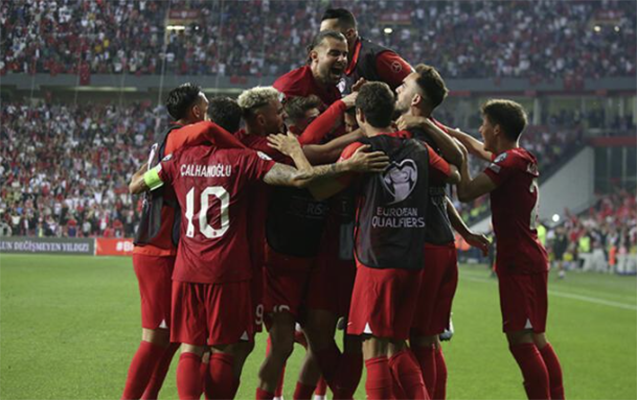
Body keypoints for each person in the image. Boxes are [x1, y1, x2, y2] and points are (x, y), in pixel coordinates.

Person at [128, 130, 389, 400]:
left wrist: (152, 161)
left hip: (190, 268)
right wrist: (344, 162)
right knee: (233, 348)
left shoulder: (177, 159)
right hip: (237, 268)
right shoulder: (247, 157)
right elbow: (303, 177)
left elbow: (137, 185)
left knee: (194, 348)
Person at [274, 82, 459, 400]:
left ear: (360, 115)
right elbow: (453, 174)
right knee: (397, 346)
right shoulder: (419, 149)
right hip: (412, 262)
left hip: (376, 262)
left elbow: (319, 190)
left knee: (374, 348)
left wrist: (295, 153)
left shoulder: (361, 152)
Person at [121, 83, 244, 400]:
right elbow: (214, 132)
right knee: (155, 337)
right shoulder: (183, 135)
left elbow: (141, 180)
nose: (209, 110)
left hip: (166, 248)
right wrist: (247, 153)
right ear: (197, 111)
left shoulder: (163, 141)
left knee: (175, 338)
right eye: (206, 103)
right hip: (158, 248)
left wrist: (140, 181)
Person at [453, 99, 565, 400]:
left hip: (518, 261)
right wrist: (446, 131)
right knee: (537, 338)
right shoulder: (520, 157)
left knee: (520, 341)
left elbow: (466, 192)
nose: (480, 130)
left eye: (484, 124)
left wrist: (459, 158)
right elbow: (479, 148)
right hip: (531, 256)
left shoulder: (507, 163)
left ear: (497, 129)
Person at [393, 64, 489, 399]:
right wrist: (465, 231)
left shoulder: (419, 135)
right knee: (429, 339)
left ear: (416, 99)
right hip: (439, 242)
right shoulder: (430, 132)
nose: (397, 89)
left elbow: (455, 168)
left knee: (404, 339)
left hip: (422, 246)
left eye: (404, 86)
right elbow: (439, 196)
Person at [320, 8, 413, 93]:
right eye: (322, 34)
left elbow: (416, 83)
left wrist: (377, 94)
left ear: (350, 34)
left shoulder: (377, 57)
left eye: (329, 34)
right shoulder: (331, 63)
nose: (323, 39)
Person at [274, 31, 348, 107]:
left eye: (345, 54)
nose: (342, 59)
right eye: (334, 53)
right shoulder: (291, 88)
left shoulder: (332, 90)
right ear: (314, 56)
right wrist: (340, 107)